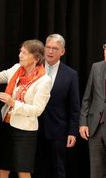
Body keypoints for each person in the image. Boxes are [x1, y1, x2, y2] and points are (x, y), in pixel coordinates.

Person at [0, 39, 52, 178]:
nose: (20, 55)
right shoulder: (16, 69)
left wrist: (13, 103)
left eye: (25, 53)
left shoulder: (44, 80)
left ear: (36, 58)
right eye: (21, 51)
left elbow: (37, 109)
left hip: (25, 131)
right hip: (7, 125)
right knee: (3, 167)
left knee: (23, 170)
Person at [33, 34, 80, 178]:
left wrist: (72, 131)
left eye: (55, 48)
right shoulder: (34, 69)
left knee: (58, 168)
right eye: (48, 47)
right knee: (35, 167)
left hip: (58, 130)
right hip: (34, 127)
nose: (50, 51)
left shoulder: (70, 74)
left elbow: (74, 106)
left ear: (62, 52)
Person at [79, 44, 106, 178]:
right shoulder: (96, 67)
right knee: (96, 171)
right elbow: (87, 98)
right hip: (95, 127)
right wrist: (83, 122)